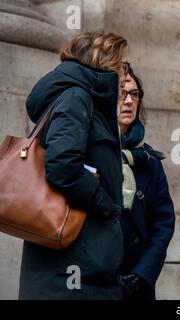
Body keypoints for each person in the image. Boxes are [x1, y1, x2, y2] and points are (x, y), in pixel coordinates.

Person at [19, 31, 129, 299]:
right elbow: (62, 166)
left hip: (79, 261)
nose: (125, 75)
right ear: (104, 63)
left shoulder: (84, 100)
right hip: (71, 268)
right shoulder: (76, 97)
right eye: (122, 65)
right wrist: (106, 204)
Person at [116, 67, 175, 300]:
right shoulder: (87, 152)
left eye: (135, 94)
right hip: (93, 281)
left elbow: (163, 224)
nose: (129, 101)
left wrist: (143, 273)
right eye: (121, 93)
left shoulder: (149, 160)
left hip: (136, 285)